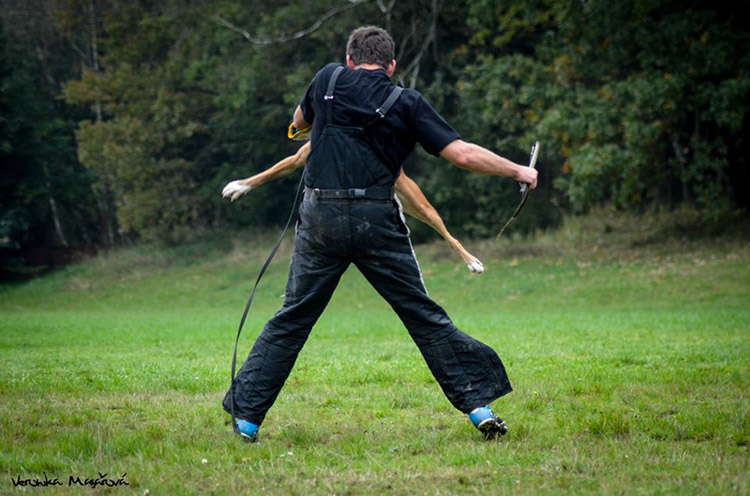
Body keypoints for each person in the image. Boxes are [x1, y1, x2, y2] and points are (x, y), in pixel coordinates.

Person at [222, 25, 538, 442]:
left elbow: (298, 123)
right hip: (377, 220)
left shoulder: (327, 79)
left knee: (293, 317)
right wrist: (519, 170)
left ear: (350, 59)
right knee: (423, 317)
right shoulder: (406, 101)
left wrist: (310, 119)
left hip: (320, 220)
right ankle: (479, 407)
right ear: (391, 66)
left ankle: (247, 420)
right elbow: (461, 154)